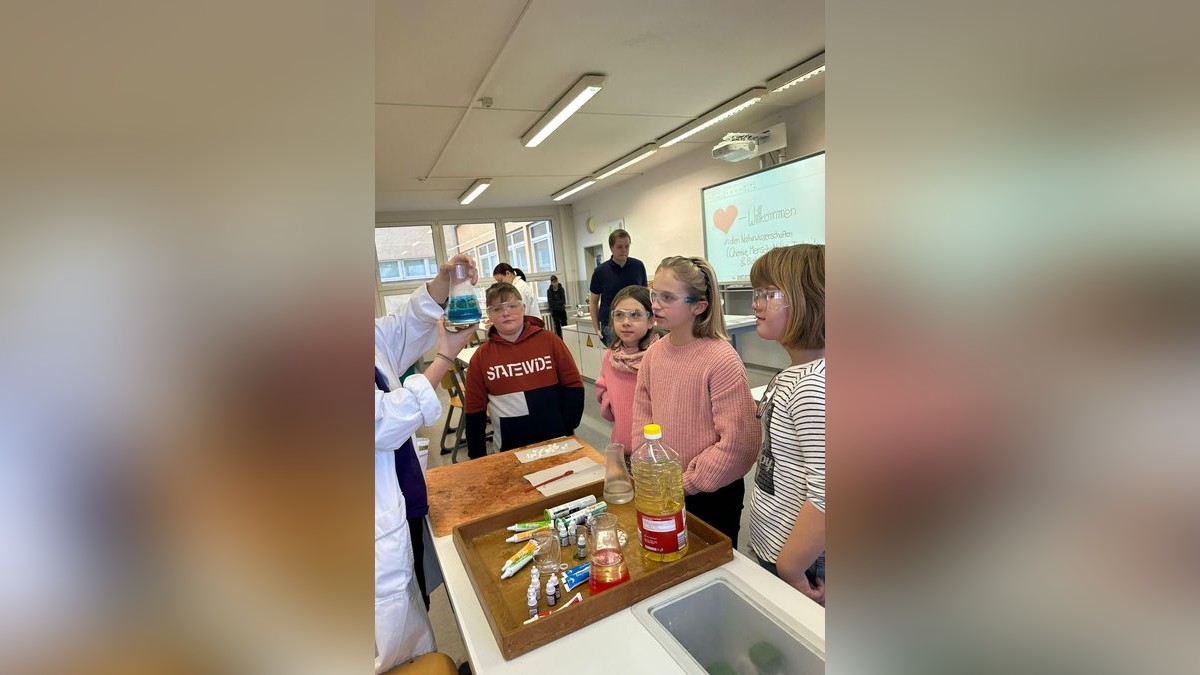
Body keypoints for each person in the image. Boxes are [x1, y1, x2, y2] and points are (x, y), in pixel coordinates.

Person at [374, 254, 479, 673]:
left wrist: (442, 282)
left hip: (400, 498)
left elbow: (402, 328)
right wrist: (444, 360)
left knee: (412, 586)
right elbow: (381, 423)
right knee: (390, 628)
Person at [632, 256, 760, 547]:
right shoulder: (654, 354)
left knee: (709, 567)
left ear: (698, 307)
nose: (655, 304)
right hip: (663, 486)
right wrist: (651, 471)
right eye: (654, 294)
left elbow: (739, 443)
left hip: (711, 494)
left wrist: (686, 483)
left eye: (667, 297)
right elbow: (642, 415)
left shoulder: (721, 358)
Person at [745, 244, 826, 606]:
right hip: (779, 547)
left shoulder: (814, 385)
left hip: (799, 564)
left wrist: (791, 570)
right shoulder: (797, 374)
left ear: (809, 299)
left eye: (768, 293)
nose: (755, 303)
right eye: (755, 292)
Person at [464, 282, 585, 459]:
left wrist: (567, 426)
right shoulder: (481, 357)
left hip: (558, 441)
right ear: (489, 315)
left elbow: (573, 385)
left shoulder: (550, 341)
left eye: (512, 306)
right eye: (497, 309)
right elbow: (474, 410)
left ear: (523, 308)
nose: (506, 313)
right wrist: (477, 458)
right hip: (509, 449)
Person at [595, 285, 658, 454]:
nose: (626, 322)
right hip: (623, 447)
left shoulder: (660, 356)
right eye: (619, 315)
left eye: (635, 315)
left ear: (651, 320)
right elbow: (602, 389)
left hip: (657, 452)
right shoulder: (610, 356)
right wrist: (614, 404)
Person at [588, 228, 647, 347]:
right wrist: (596, 328)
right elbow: (593, 302)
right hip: (610, 325)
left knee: (635, 359)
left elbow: (645, 297)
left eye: (627, 246)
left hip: (635, 320)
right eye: (619, 247)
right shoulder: (601, 271)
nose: (624, 250)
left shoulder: (638, 266)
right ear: (611, 248)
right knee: (616, 360)